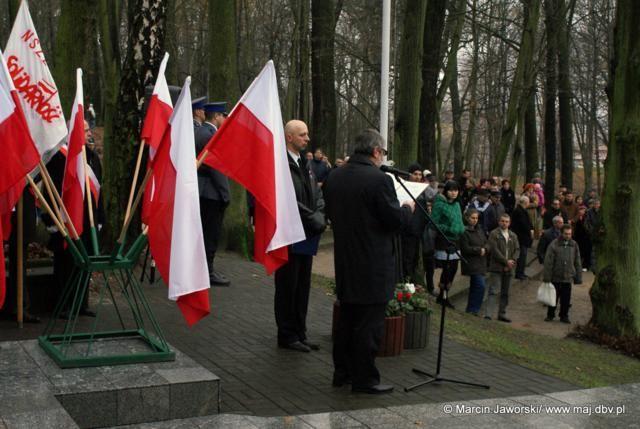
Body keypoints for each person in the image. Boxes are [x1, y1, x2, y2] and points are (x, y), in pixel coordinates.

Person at [323, 129, 414, 394]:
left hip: (346, 260)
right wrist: (407, 209)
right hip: (373, 264)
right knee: (368, 325)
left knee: (347, 319)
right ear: (376, 151)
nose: (382, 157)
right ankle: (365, 379)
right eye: (383, 152)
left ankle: (342, 373)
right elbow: (393, 221)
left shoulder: (335, 175)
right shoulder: (378, 180)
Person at [274, 120, 326, 353]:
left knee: (303, 285)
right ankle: (286, 334)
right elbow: (284, 197)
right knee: (288, 285)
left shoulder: (306, 162)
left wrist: (321, 214)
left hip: (307, 234)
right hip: (290, 233)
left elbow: (316, 192)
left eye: (307, 134)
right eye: (302, 135)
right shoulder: (280, 163)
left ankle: (300, 332)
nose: (307, 139)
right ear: (289, 137)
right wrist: (311, 216)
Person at [194, 102, 231, 286]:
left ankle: (202, 269)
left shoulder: (201, 132)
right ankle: (207, 271)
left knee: (205, 232)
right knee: (210, 234)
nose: (225, 119)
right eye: (224, 115)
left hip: (203, 190)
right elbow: (217, 169)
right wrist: (225, 195)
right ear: (216, 116)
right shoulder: (209, 135)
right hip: (211, 192)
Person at [431, 180, 465, 308]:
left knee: (454, 269)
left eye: (456, 190)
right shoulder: (439, 204)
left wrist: (461, 228)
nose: (454, 193)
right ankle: (442, 296)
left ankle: (445, 295)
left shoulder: (457, 204)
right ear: (446, 191)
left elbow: (459, 220)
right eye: (451, 190)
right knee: (447, 269)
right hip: (444, 240)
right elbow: (433, 223)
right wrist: (448, 228)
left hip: (456, 240)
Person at [543, 225, 582, 323]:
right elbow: (548, 261)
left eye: (569, 234)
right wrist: (547, 277)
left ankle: (564, 316)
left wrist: (578, 277)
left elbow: (577, 261)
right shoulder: (554, 244)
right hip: (556, 275)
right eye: (566, 234)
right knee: (553, 297)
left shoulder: (574, 244)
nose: (568, 236)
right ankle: (550, 314)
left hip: (568, 276)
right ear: (561, 233)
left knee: (566, 299)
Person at [485, 214, 519, 322]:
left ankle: (502, 313)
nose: (504, 223)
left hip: (509, 268)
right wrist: (505, 262)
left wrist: (512, 261)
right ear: (499, 222)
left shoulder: (513, 235)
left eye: (507, 221)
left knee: (505, 292)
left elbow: (517, 249)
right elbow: (494, 250)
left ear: (509, 223)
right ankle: (488, 314)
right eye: (502, 221)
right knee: (494, 290)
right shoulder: (494, 234)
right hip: (497, 267)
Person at [460, 209, 487, 315]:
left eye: (476, 218)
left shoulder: (479, 229)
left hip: (481, 262)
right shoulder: (465, 232)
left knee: (476, 286)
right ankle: (473, 309)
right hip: (472, 262)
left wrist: (485, 248)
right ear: (467, 218)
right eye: (473, 218)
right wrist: (478, 250)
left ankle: (472, 309)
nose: (475, 220)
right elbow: (465, 248)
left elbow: (486, 242)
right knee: (480, 285)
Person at [510, 196, 534, 280]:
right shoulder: (519, 211)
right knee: (522, 255)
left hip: (523, 237)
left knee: (523, 255)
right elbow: (523, 224)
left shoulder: (523, 211)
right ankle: (519, 273)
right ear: (525, 202)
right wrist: (530, 231)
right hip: (521, 237)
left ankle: (521, 272)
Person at [572, 205, 592, 271]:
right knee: (579, 252)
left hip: (586, 237)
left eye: (583, 210)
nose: (581, 211)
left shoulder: (587, 218)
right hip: (578, 237)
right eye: (580, 210)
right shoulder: (577, 218)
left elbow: (587, 227)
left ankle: (585, 265)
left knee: (586, 252)